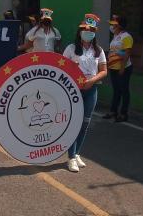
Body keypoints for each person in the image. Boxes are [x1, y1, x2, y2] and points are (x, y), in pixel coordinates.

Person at [62, 14, 107, 172]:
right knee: (74, 123)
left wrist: (93, 80)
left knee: (85, 124)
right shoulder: (71, 48)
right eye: (85, 30)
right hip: (74, 90)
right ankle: (71, 157)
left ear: (95, 33)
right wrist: (71, 66)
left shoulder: (98, 50)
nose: (88, 32)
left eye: (91, 30)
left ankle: (77, 153)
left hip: (91, 89)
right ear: (80, 31)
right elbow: (61, 68)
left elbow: (104, 71)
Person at [105, 14, 133, 122]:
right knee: (116, 90)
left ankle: (124, 114)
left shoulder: (126, 37)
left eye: (114, 25)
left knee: (124, 90)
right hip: (113, 68)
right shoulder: (116, 35)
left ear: (120, 26)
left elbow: (127, 53)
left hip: (123, 68)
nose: (112, 26)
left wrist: (122, 68)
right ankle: (113, 111)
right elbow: (114, 51)